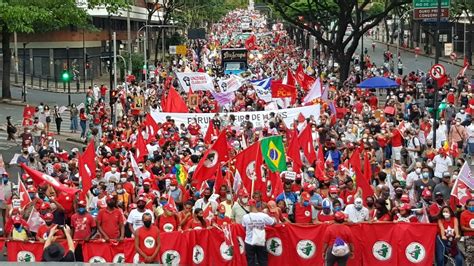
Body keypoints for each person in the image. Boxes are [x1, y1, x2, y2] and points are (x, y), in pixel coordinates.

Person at [461, 199, 474, 264]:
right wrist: (472, 230)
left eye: (473, 205)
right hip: (469, 237)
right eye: (470, 205)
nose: (472, 206)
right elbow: (462, 227)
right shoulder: (463, 214)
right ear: (467, 205)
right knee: (470, 257)